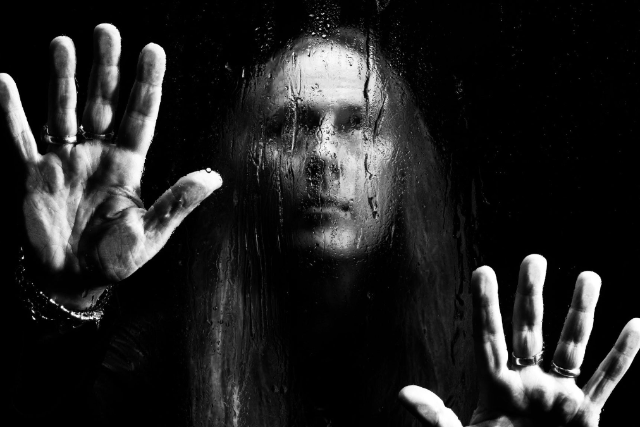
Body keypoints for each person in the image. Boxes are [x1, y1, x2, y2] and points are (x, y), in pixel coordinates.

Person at [2, 23, 638, 427]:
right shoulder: (160, 360)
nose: (324, 157)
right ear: (246, 167)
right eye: (289, 126)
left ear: (405, 166)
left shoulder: (484, 365)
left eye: (360, 125)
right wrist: (68, 294)